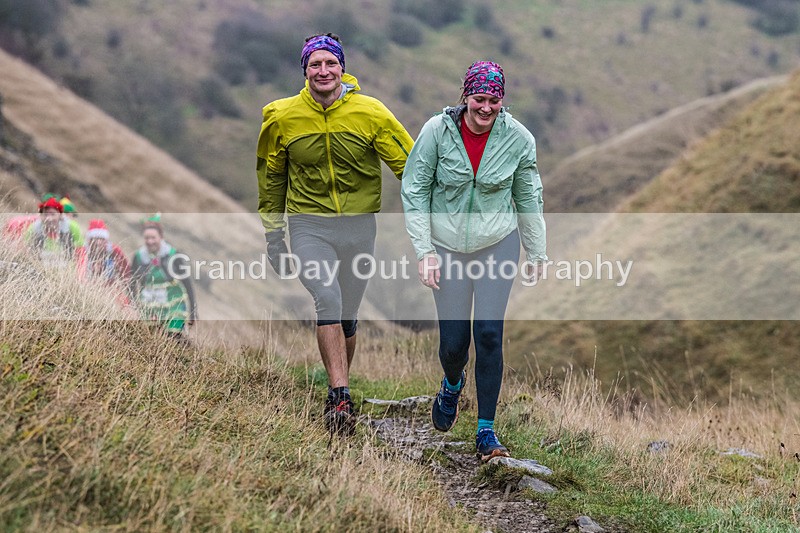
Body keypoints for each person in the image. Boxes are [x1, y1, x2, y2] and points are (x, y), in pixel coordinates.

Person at [256, 33, 413, 434]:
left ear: (342, 67)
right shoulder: (282, 117)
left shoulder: (371, 113)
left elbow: (410, 168)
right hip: (309, 225)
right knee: (326, 297)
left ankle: (339, 384)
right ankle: (340, 395)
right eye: (315, 64)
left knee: (347, 316)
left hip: (360, 228)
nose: (323, 71)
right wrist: (274, 236)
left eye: (330, 63)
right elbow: (271, 178)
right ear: (304, 71)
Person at [401, 61, 547, 461]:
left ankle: (486, 432)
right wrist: (425, 252)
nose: (486, 108)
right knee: (454, 345)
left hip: (497, 242)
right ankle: (452, 383)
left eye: (494, 101)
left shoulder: (518, 139)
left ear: (503, 102)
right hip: (446, 246)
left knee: (488, 333)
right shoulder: (437, 131)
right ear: (465, 96)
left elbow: (528, 197)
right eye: (480, 99)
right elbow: (414, 191)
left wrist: (536, 252)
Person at [129, 215, 197, 339]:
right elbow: (132, 283)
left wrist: (193, 310)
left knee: (174, 335)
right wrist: (132, 306)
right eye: (147, 238)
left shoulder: (174, 255)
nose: (150, 241)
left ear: (161, 237)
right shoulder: (138, 257)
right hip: (149, 303)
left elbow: (187, 282)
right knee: (150, 337)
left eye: (153, 238)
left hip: (174, 303)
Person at [75, 218, 131, 304]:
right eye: (95, 239)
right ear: (89, 240)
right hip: (88, 290)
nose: (98, 243)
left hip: (111, 291)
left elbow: (125, 271)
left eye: (101, 239)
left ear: (106, 240)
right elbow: (80, 273)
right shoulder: (83, 251)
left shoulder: (114, 251)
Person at [23, 196, 82, 263]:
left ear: (60, 215)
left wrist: (79, 273)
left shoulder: (72, 227)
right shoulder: (34, 229)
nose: (49, 218)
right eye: (45, 214)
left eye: (53, 214)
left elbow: (81, 253)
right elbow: (25, 253)